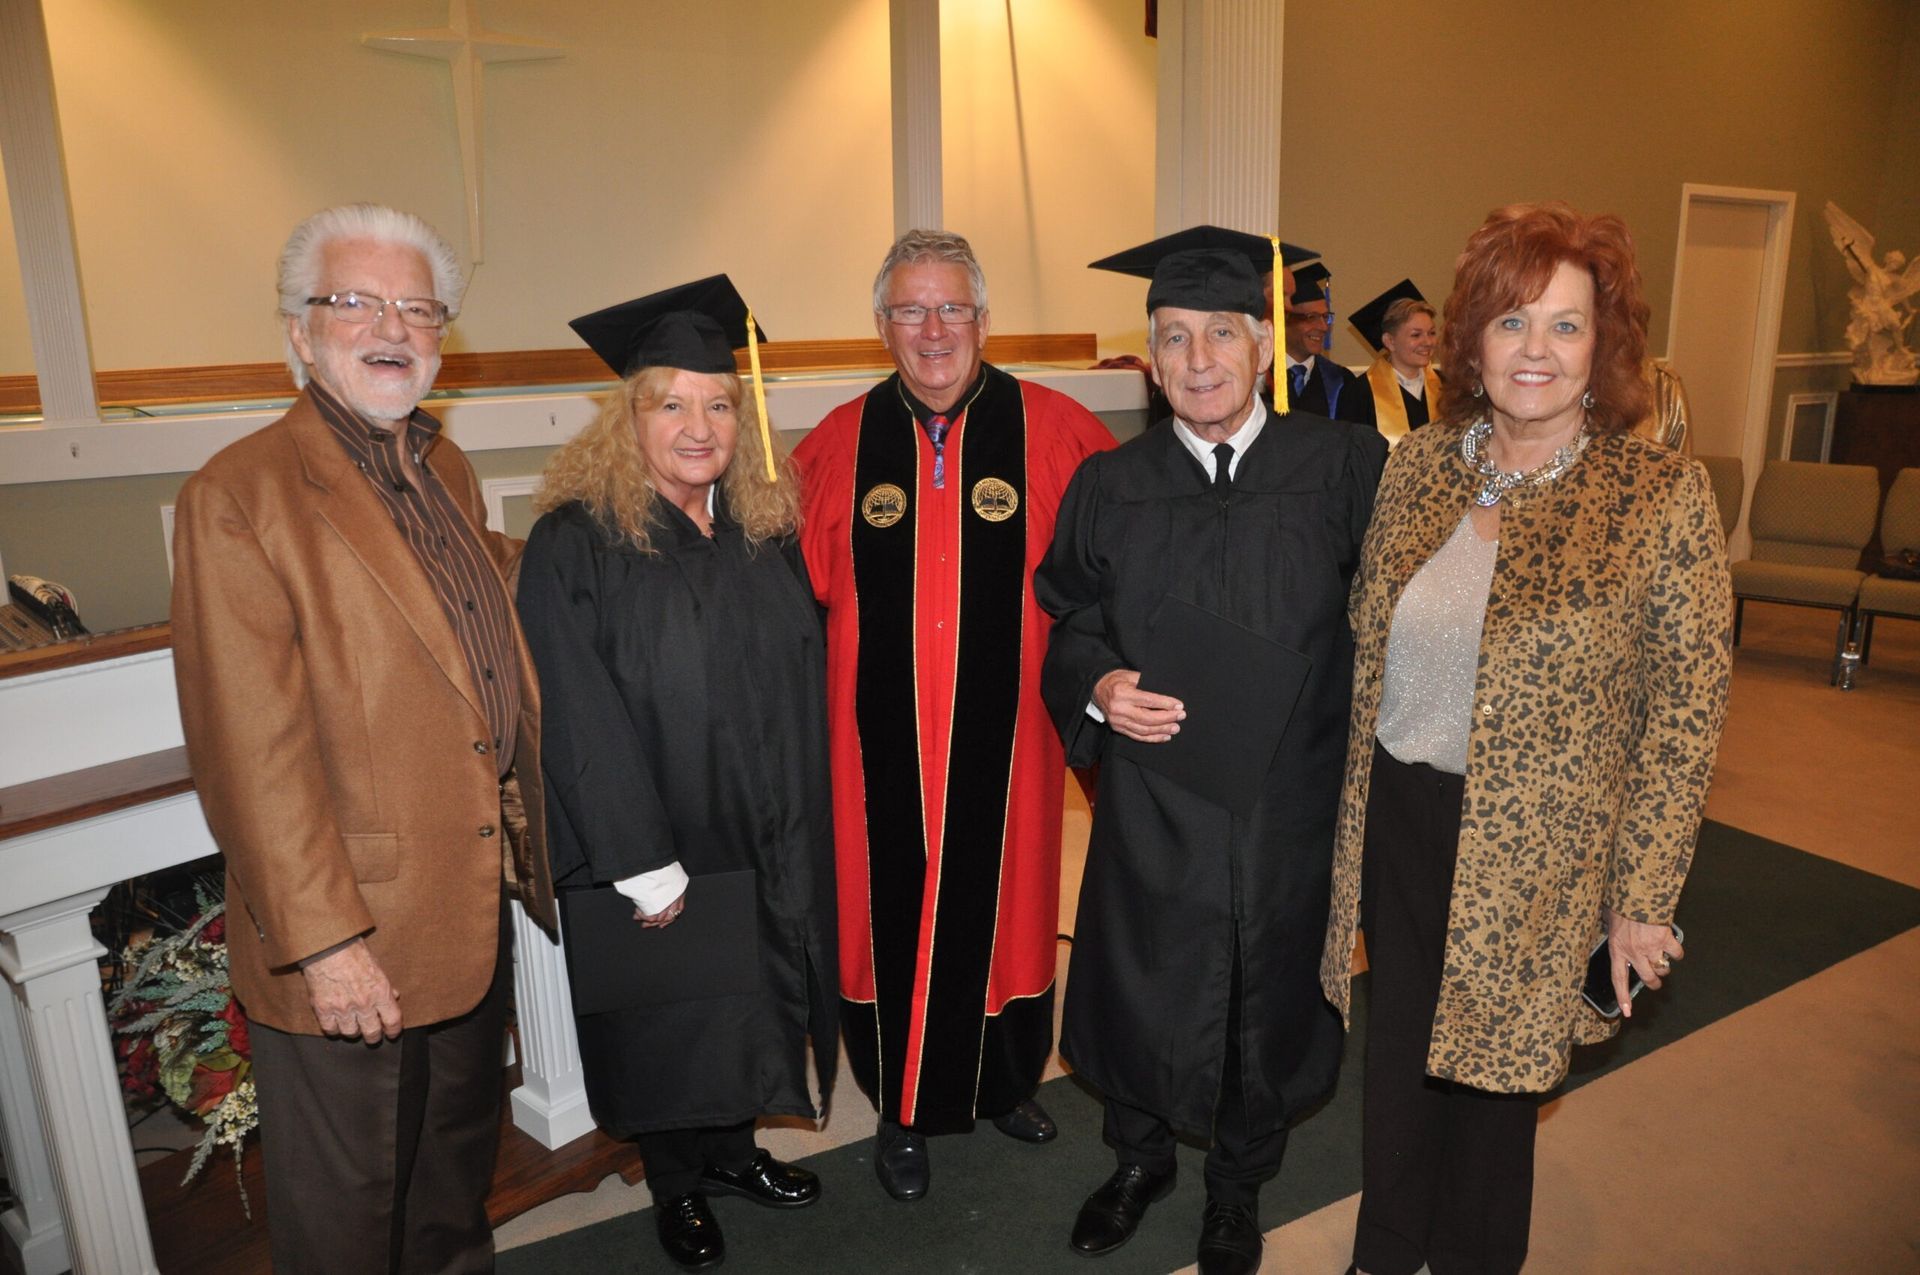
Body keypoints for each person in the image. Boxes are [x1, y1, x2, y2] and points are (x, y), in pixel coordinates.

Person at [1318, 202, 1734, 1275]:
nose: (1535, 351)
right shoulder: (1415, 467)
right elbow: (1365, 646)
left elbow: (1681, 719)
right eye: (1511, 323)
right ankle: (1384, 1248)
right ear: (1470, 340)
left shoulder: (1657, 498)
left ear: (1605, 347)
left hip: (1543, 848)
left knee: (1497, 1090)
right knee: (1402, 1061)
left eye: (1565, 325)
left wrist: (1642, 897)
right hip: (1405, 819)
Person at [170, 203, 554, 1273]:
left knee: (448, 1197)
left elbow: (467, 634)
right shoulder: (239, 497)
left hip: (463, 914)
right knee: (348, 1225)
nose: (393, 324)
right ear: (300, 330)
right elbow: (251, 750)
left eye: (418, 306)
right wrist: (328, 947)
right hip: (353, 939)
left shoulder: (447, 471)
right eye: (358, 302)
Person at [1037, 238, 1388, 1275]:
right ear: (1149, 359)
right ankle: (1138, 1161)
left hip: (1291, 802)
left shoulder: (1342, 468)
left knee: (1264, 994)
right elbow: (1069, 617)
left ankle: (1236, 1190)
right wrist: (1099, 684)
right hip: (1155, 801)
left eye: (1221, 334)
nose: (1199, 359)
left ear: (1264, 344)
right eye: (1175, 338)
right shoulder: (1112, 483)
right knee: (1147, 981)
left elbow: (1396, 623)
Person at [515, 277, 838, 1272]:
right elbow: (572, 711)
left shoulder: (757, 530)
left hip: (763, 821)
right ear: (630, 418)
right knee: (665, 1016)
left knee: (744, 995)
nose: (700, 426)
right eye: (673, 404)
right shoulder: (580, 544)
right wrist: (636, 859)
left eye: (720, 404)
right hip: (654, 834)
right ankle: (677, 1183)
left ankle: (734, 1152)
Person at [792, 228, 1114, 1201]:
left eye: (951, 308)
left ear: (983, 319)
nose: (932, 329)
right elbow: (794, 600)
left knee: (1012, 910)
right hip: (874, 750)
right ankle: (902, 1105)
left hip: (1010, 748)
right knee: (885, 916)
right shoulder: (836, 446)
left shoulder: (1058, 431)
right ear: (881, 324)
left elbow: (1111, 582)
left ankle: (1005, 1082)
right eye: (910, 309)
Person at [1346, 281, 1443, 440]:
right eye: (1416, 335)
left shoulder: (1446, 386)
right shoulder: (1361, 393)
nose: (1428, 342)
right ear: (1390, 342)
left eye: (1431, 333)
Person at [1282, 260, 1367, 423]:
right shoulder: (1260, 378)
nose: (1323, 327)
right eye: (1311, 317)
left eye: (1325, 317)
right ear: (1284, 320)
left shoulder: (1342, 381)